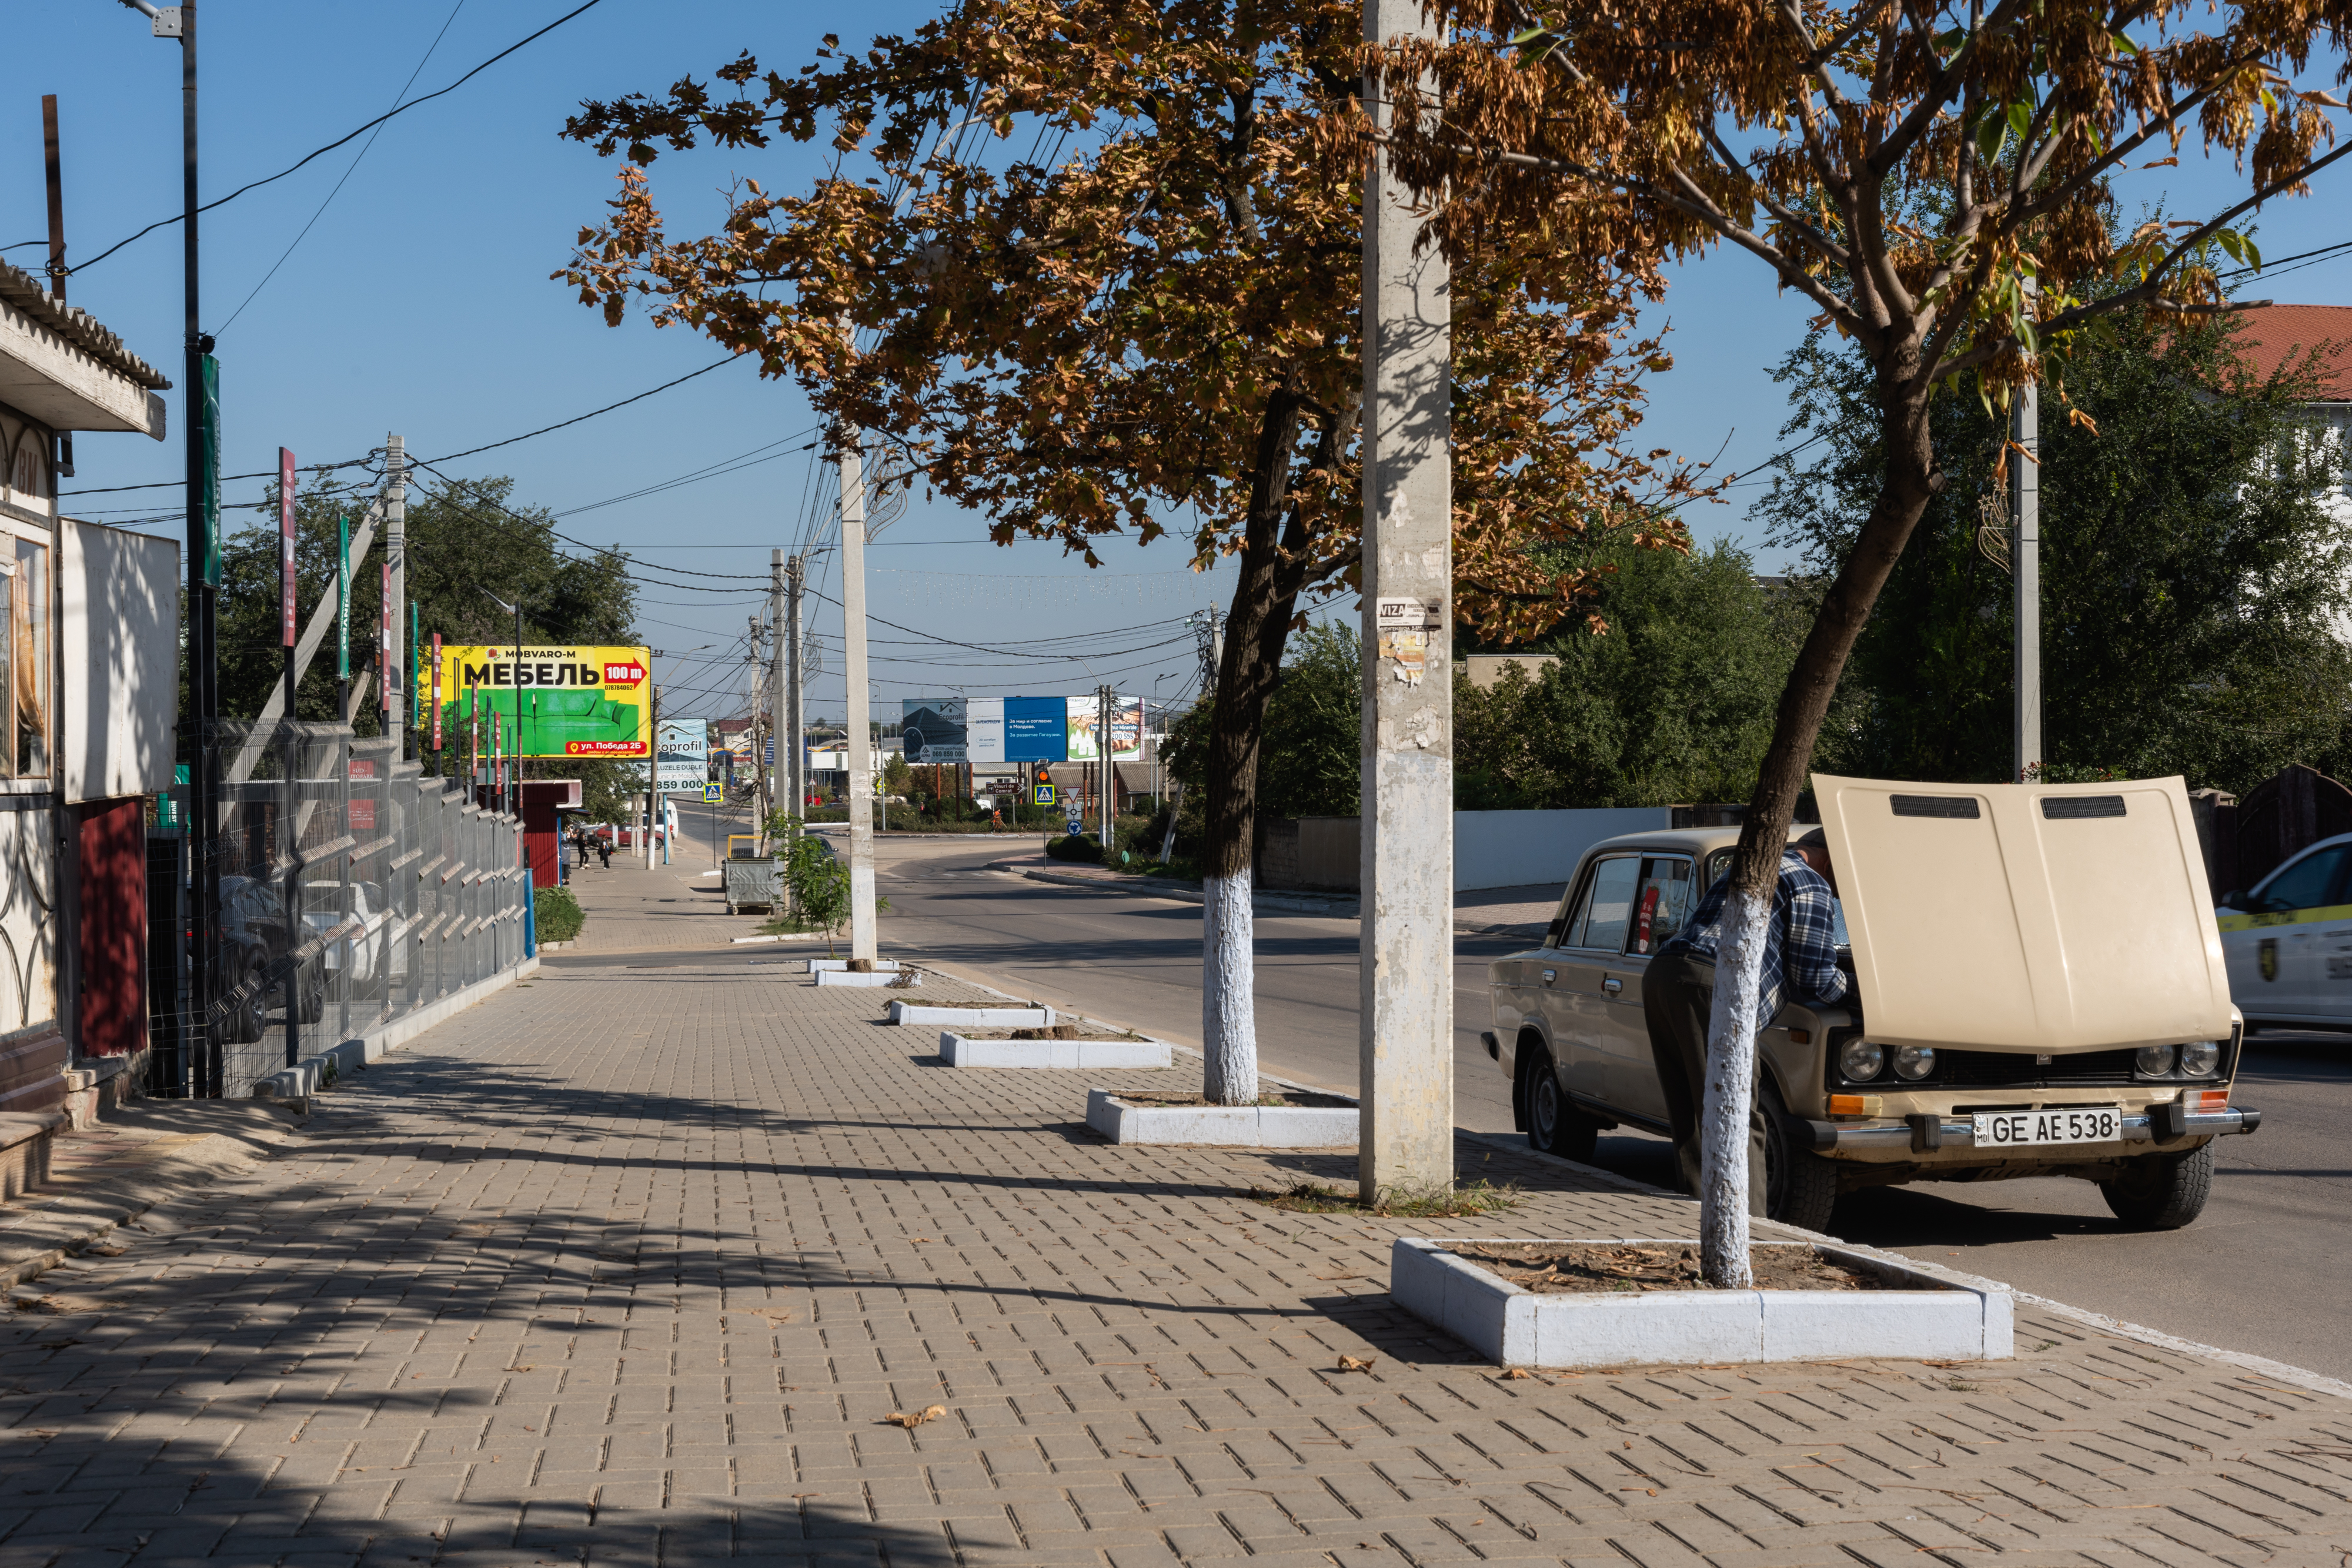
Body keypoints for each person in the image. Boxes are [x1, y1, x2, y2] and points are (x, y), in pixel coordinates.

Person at [1642, 827, 1849, 1211]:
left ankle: (1696, 1219)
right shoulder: (1812, 884)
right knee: (1737, 1115)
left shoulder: (1748, 865)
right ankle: (1748, 1229)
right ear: (1831, 860)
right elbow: (1813, 975)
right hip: (1713, 983)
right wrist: (1854, 991)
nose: (1841, 892)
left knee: (1690, 1113)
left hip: (1665, 974)